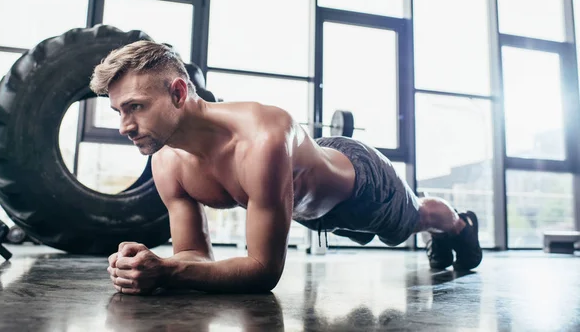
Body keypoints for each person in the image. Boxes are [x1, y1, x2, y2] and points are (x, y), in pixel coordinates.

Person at [90, 41, 482, 295]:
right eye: (118, 111)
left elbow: (263, 271)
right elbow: (193, 254)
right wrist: (153, 264)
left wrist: (170, 273)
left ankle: (459, 226)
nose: (124, 126)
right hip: (307, 206)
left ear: (177, 92)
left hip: (361, 186)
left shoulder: (261, 138)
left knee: (415, 216)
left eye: (135, 107)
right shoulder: (166, 162)